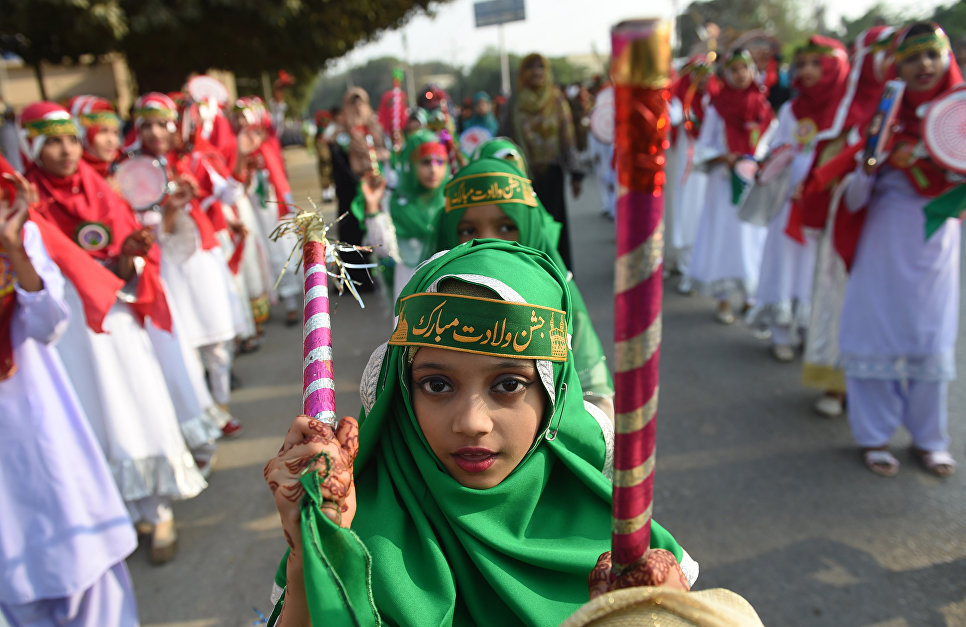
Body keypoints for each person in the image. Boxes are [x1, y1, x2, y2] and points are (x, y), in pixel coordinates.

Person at [263, 240, 697, 626]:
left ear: (552, 394)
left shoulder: (628, 548)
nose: (472, 422)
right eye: (437, 385)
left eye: (508, 385)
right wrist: (311, 558)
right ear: (400, 389)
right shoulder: (350, 531)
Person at [20, 101, 207, 564]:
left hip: (116, 321)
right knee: (92, 417)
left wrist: (127, 256)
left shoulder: (102, 191)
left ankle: (159, 510)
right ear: (32, 147)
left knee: (136, 406)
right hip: (67, 333)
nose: (66, 151)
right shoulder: (27, 205)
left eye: (69, 140)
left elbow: (126, 262)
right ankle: (119, 515)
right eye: (53, 142)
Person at [0, 164, 140, 626]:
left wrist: (16, 253)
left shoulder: (19, 235)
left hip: (40, 426)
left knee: (87, 572)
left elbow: (49, 323)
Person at [836, 23, 963, 478]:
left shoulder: (959, 118)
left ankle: (931, 440)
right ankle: (875, 436)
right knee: (876, 335)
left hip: (936, 244)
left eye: (931, 55)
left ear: (947, 58)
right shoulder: (883, 119)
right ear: (897, 68)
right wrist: (874, 159)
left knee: (929, 338)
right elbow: (852, 198)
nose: (923, 66)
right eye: (912, 58)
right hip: (883, 241)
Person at [429, 154, 615, 419]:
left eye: (506, 227)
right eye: (468, 231)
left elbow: (596, 403)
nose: (488, 244)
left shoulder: (562, 302)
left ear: (531, 230)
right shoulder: (429, 304)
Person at [746, 37, 850, 362]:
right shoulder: (792, 109)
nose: (806, 71)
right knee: (784, 263)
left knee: (816, 269)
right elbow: (778, 146)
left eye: (815, 64)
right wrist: (782, 159)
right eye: (802, 64)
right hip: (789, 203)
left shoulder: (848, 110)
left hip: (827, 207)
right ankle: (780, 331)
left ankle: (810, 329)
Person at [688, 48, 774, 324]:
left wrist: (757, 160)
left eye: (744, 69)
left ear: (753, 71)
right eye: (734, 70)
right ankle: (723, 299)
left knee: (752, 239)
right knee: (726, 238)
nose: (740, 75)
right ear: (726, 75)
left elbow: (772, 143)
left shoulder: (763, 107)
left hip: (754, 181)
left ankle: (751, 298)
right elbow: (704, 146)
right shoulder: (717, 107)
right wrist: (723, 157)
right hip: (723, 182)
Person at [502, 53, 585, 270]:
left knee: (556, 229)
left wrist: (576, 173)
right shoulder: (515, 102)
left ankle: (562, 281)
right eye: (531, 67)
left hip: (553, 174)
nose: (537, 72)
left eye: (541, 67)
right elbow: (504, 138)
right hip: (523, 178)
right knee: (530, 229)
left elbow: (567, 137)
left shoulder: (555, 99)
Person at [358, 128, 450, 301]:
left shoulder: (451, 201)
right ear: (410, 165)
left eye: (440, 162)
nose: (433, 169)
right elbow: (383, 249)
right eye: (425, 162)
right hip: (410, 294)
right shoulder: (395, 204)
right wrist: (372, 207)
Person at [329, 87, 388, 293]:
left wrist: (373, 154)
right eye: (353, 103)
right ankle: (353, 278)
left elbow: (388, 152)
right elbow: (334, 151)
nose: (357, 107)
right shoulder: (339, 131)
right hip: (350, 190)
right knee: (350, 232)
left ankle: (377, 273)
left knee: (377, 228)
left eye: (360, 102)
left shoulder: (375, 126)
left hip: (375, 186)